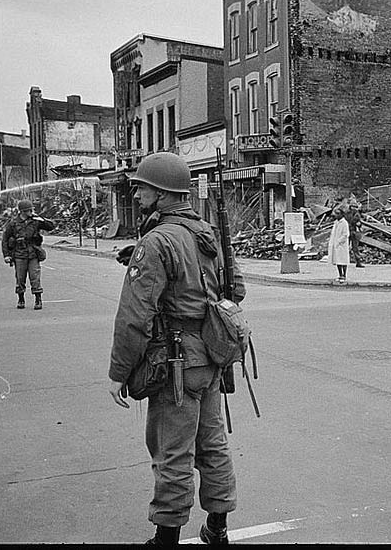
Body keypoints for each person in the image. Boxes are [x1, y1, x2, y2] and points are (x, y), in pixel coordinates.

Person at [107, 152, 246, 547]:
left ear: (164, 194)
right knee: (213, 444)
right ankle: (216, 530)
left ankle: (166, 539)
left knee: (172, 452)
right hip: (211, 359)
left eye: (142, 187)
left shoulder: (157, 241)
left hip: (177, 363)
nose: (136, 194)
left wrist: (119, 373)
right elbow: (235, 291)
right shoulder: (207, 233)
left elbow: (134, 317)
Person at [1, 199, 55, 310]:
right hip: (19, 254)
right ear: (22, 211)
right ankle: (21, 299)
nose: (31, 212)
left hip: (33, 253)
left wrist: (41, 218)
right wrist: (6, 255)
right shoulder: (13, 223)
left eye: (31, 210)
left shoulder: (35, 221)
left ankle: (38, 299)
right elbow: (5, 240)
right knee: (20, 278)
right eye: (28, 210)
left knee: (35, 277)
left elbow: (51, 226)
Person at [328, 207, 350, 283]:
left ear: (342, 215)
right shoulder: (336, 222)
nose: (336, 215)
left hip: (342, 244)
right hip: (336, 244)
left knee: (343, 260)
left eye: (338, 214)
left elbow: (345, 234)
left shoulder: (344, 223)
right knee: (337, 260)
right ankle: (340, 274)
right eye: (336, 213)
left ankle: (344, 275)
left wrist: (339, 241)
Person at [346, 199, 364, 268]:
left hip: (353, 231)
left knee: (355, 247)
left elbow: (359, 222)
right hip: (347, 231)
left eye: (355, 206)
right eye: (353, 206)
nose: (354, 208)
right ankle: (343, 261)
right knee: (345, 247)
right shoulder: (347, 213)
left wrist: (359, 224)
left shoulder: (356, 213)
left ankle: (358, 262)